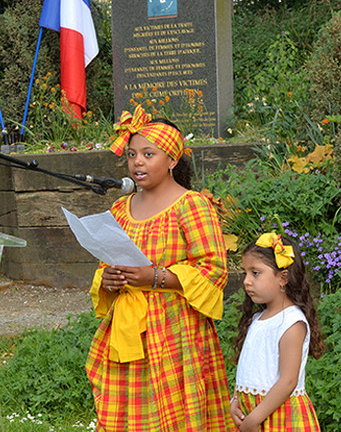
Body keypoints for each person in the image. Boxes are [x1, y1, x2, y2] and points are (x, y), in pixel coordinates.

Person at [85, 104, 235, 431]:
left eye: (149, 154)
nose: (137, 162)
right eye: (132, 154)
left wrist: (154, 277)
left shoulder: (192, 205)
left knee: (179, 415)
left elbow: (214, 270)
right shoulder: (120, 209)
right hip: (128, 332)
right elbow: (105, 264)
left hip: (177, 333)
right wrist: (108, 279)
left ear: (171, 160)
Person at [230, 232, 325, 432]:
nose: (247, 281)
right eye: (245, 273)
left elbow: (288, 381)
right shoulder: (258, 319)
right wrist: (236, 400)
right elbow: (251, 370)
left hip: (281, 417)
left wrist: (254, 419)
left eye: (255, 273)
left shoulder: (291, 323)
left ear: (283, 278)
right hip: (255, 415)